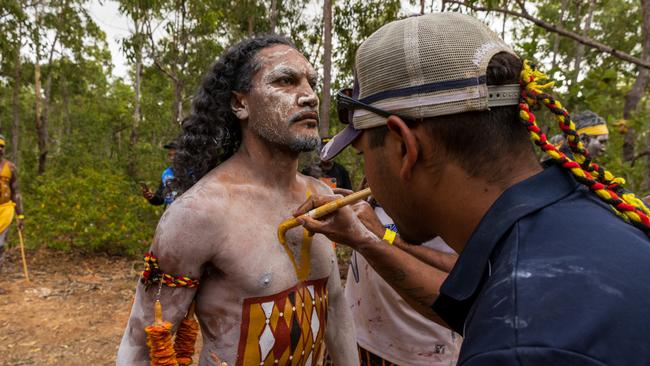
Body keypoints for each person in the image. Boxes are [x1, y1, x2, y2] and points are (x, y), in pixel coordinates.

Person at [293, 13, 650, 365]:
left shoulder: (516, 349)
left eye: (363, 149)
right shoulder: (579, 218)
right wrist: (366, 238)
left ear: (404, 147)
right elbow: (473, 301)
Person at [118, 35, 358, 366]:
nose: (309, 96)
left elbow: (335, 307)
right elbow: (142, 346)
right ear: (240, 104)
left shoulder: (322, 198)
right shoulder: (199, 213)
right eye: (286, 81)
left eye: (311, 83)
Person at [345, 180, 461, 366]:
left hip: (418, 352)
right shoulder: (377, 185)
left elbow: (464, 267)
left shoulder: (448, 197)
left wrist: (384, 235)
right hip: (359, 336)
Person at [0, 134, 23, 274]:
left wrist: (20, 216)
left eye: (1, 146)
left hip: (5, 210)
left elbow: (16, 192)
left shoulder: (10, 167)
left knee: (0, 245)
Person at [141, 140, 179, 207]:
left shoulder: (193, 173)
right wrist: (151, 197)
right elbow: (161, 198)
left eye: (175, 155)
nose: (172, 158)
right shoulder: (166, 173)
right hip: (172, 213)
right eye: (170, 155)